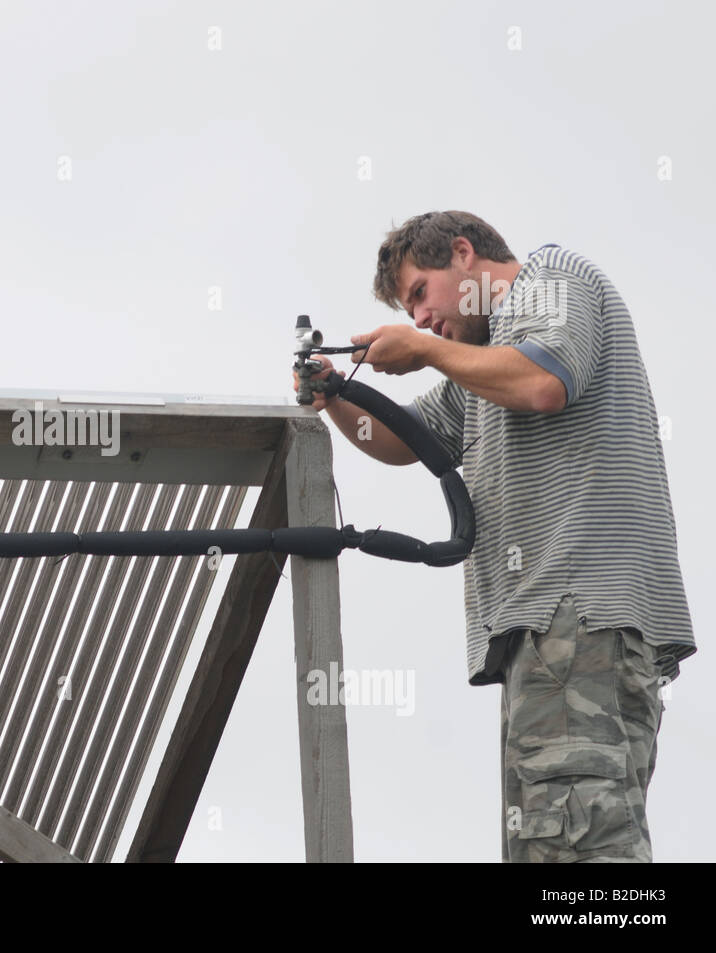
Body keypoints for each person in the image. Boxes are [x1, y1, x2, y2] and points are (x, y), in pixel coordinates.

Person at [294, 210, 696, 862]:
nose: (419, 318)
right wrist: (336, 395)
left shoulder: (550, 281)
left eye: (420, 292)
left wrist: (421, 350)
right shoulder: (483, 363)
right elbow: (406, 440)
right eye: (410, 309)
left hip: (577, 620)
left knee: (577, 855)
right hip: (553, 638)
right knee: (559, 847)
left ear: (462, 252)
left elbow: (543, 383)